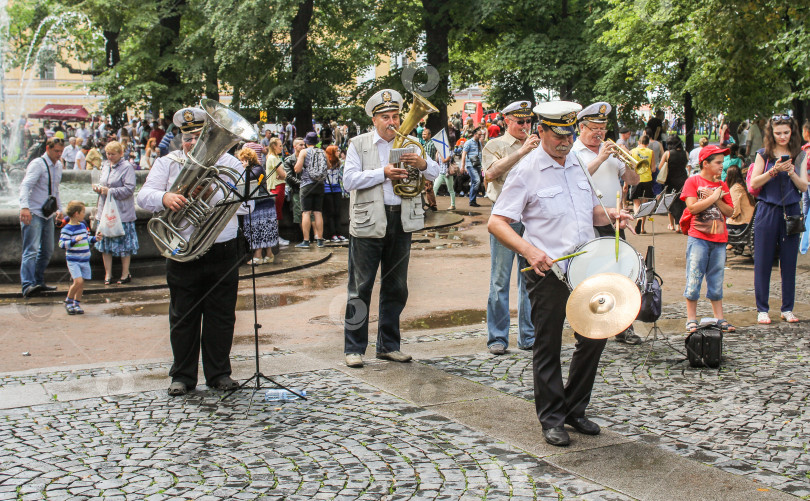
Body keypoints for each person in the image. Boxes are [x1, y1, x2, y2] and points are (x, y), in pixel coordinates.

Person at [488, 101, 635, 447]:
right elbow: (497, 222)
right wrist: (529, 250)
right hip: (548, 271)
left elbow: (589, 213)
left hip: (586, 267)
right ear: (540, 132)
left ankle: (574, 408)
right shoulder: (527, 170)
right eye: (558, 135)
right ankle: (552, 418)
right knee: (548, 345)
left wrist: (612, 215)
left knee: (595, 337)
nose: (565, 142)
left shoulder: (578, 165)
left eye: (569, 134)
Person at [136, 106, 244, 395]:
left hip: (221, 248)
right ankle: (182, 376)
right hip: (182, 249)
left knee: (221, 316)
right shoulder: (168, 164)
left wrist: (208, 192)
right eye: (187, 138)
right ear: (180, 139)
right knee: (183, 316)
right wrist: (166, 196)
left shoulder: (231, 164)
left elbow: (246, 204)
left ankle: (219, 374)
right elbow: (144, 196)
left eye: (198, 136)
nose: (192, 143)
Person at [342, 89, 440, 368]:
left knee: (396, 287)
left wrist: (422, 163)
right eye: (386, 117)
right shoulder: (358, 144)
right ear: (374, 120)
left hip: (401, 220)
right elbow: (349, 180)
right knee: (359, 288)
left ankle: (388, 345)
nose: (393, 122)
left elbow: (434, 172)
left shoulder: (409, 144)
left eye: (396, 116)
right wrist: (382, 173)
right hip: (369, 222)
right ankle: (354, 348)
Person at [573, 102, 641, 345]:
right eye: (594, 128)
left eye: (602, 128)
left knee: (620, 273)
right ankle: (591, 325)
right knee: (590, 275)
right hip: (587, 221)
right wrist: (601, 158)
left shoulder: (611, 150)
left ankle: (623, 326)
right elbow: (574, 180)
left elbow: (632, 180)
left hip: (615, 221)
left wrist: (630, 162)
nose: (599, 133)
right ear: (581, 127)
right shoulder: (573, 152)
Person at [481, 100, 539, 355]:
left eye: (528, 121)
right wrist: (522, 152)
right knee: (499, 280)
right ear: (507, 121)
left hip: (530, 217)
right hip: (504, 217)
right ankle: (497, 337)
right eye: (520, 122)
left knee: (529, 278)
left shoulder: (536, 146)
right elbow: (490, 174)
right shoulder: (495, 145)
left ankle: (528, 335)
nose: (526, 126)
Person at [748, 115, 808, 325]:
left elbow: (804, 187)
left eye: (786, 132)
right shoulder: (764, 154)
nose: (782, 137)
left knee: (789, 262)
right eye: (778, 133)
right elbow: (755, 182)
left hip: (791, 210)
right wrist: (774, 170)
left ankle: (787, 308)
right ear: (771, 134)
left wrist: (791, 172)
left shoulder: (799, 155)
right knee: (763, 261)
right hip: (767, 209)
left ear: (792, 132)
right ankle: (762, 309)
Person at [680, 145, 736, 334]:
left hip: (720, 239)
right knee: (694, 277)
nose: (722, 165)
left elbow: (730, 211)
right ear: (705, 163)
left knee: (717, 279)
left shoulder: (722, 184)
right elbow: (692, 208)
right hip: (699, 238)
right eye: (718, 162)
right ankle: (691, 318)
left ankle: (719, 317)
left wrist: (717, 197)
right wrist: (714, 197)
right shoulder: (693, 181)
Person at [19, 136, 64, 298]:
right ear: (48, 148)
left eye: (61, 151)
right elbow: (25, 185)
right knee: (30, 250)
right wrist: (24, 207)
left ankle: (38, 282)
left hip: (47, 214)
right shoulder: (38, 164)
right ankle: (27, 285)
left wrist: (59, 209)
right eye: (56, 151)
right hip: (34, 212)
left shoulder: (58, 166)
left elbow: (55, 189)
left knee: (47, 250)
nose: (59, 154)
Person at [93, 140, 138, 285]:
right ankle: (108, 274)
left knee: (125, 246)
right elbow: (103, 182)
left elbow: (130, 189)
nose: (110, 156)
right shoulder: (106, 165)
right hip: (104, 211)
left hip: (122, 212)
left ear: (121, 153)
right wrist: (99, 188)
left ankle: (125, 274)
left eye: (113, 154)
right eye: (107, 154)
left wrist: (110, 191)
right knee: (105, 244)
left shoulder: (127, 167)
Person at [238, 147, 279, 265]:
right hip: (263, 202)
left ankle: (258, 255)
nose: (241, 162)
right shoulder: (256, 168)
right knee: (264, 228)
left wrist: (244, 169)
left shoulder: (257, 169)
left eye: (243, 160)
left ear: (248, 160)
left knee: (258, 228)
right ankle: (269, 254)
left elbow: (249, 179)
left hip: (260, 202)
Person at [59, 201, 101, 314]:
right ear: (76, 214)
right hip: (74, 260)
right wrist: (73, 241)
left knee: (81, 283)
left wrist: (95, 239)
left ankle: (76, 303)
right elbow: (62, 244)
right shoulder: (67, 229)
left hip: (84, 259)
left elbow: (86, 238)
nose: (85, 214)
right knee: (78, 281)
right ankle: (68, 302)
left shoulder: (82, 225)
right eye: (83, 212)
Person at [293, 132, 326, 248]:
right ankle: (320, 240)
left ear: (306, 142)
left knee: (306, 212)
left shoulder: (304, 152)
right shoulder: (322, 152)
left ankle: (306, 241)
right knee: (318, 212)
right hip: (320, 185)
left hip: (307, 185)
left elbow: (297, 169)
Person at [658, 136, 690, 232]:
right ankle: (679, 224)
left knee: (670, 201)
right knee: (681, 202)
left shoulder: (667, 154)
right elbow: (686, 165)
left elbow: (660, 167)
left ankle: (672, 225)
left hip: (670, 180)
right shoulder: (686, 153)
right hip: (683, 180)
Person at [265, 137, 289, 245]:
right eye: (280, 146)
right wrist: (284, 175)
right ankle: (276, 237)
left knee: (276, 213)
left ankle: (275, 237)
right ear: (274, 146)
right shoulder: (274, 158)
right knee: (277, 213)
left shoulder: (271, 157)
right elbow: (283, 174)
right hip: (277, 187)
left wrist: (283, 175)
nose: (281, 148)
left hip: (276, 186)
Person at [629, 135, 656, 233]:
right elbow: (653, 168)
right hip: (647, 179)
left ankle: (638, 218)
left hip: (636, 179)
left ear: (638, 142)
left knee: (636, 203)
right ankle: (642, 228)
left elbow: (629, 167)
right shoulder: (650, 152)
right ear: (648, 143)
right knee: (644, 203)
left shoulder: (632, 151)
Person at [322, 144, 346, 242]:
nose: (339, 152)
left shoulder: (340, 163)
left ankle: (339, 233)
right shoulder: (325, 163)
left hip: (337, 189)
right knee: (330, 213)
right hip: (327, 190)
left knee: (338, 212)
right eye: (336, 151)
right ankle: (332, 234)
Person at [725, 165, 755, 234]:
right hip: (749, 219)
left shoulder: (735, 188)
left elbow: (735, 211)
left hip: (742, 222)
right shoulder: (744, 185)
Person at [460, 128, 484, 207]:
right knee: (477, 181)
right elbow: (463, 154)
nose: (480, 136)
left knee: (475, 182)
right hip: (470, 165)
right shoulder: (468, 142)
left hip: (477, 164)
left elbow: (481, 154)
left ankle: (472, 200)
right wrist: (462, 166)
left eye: (481, 135)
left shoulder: (479, 143)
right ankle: (472, 200)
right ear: (475, 134)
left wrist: (482, 165)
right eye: (479, 135)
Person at [421, 128, 438, 211]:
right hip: (427, 168)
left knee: (428, 188)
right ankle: (432, 204)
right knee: (428, 187)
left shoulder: (430, 144)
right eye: (423, 134)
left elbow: (428, 158)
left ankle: (433, 205)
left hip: (428, 168)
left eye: (425, 134)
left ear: (429, 135)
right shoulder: (426, 143)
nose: (423, 135)